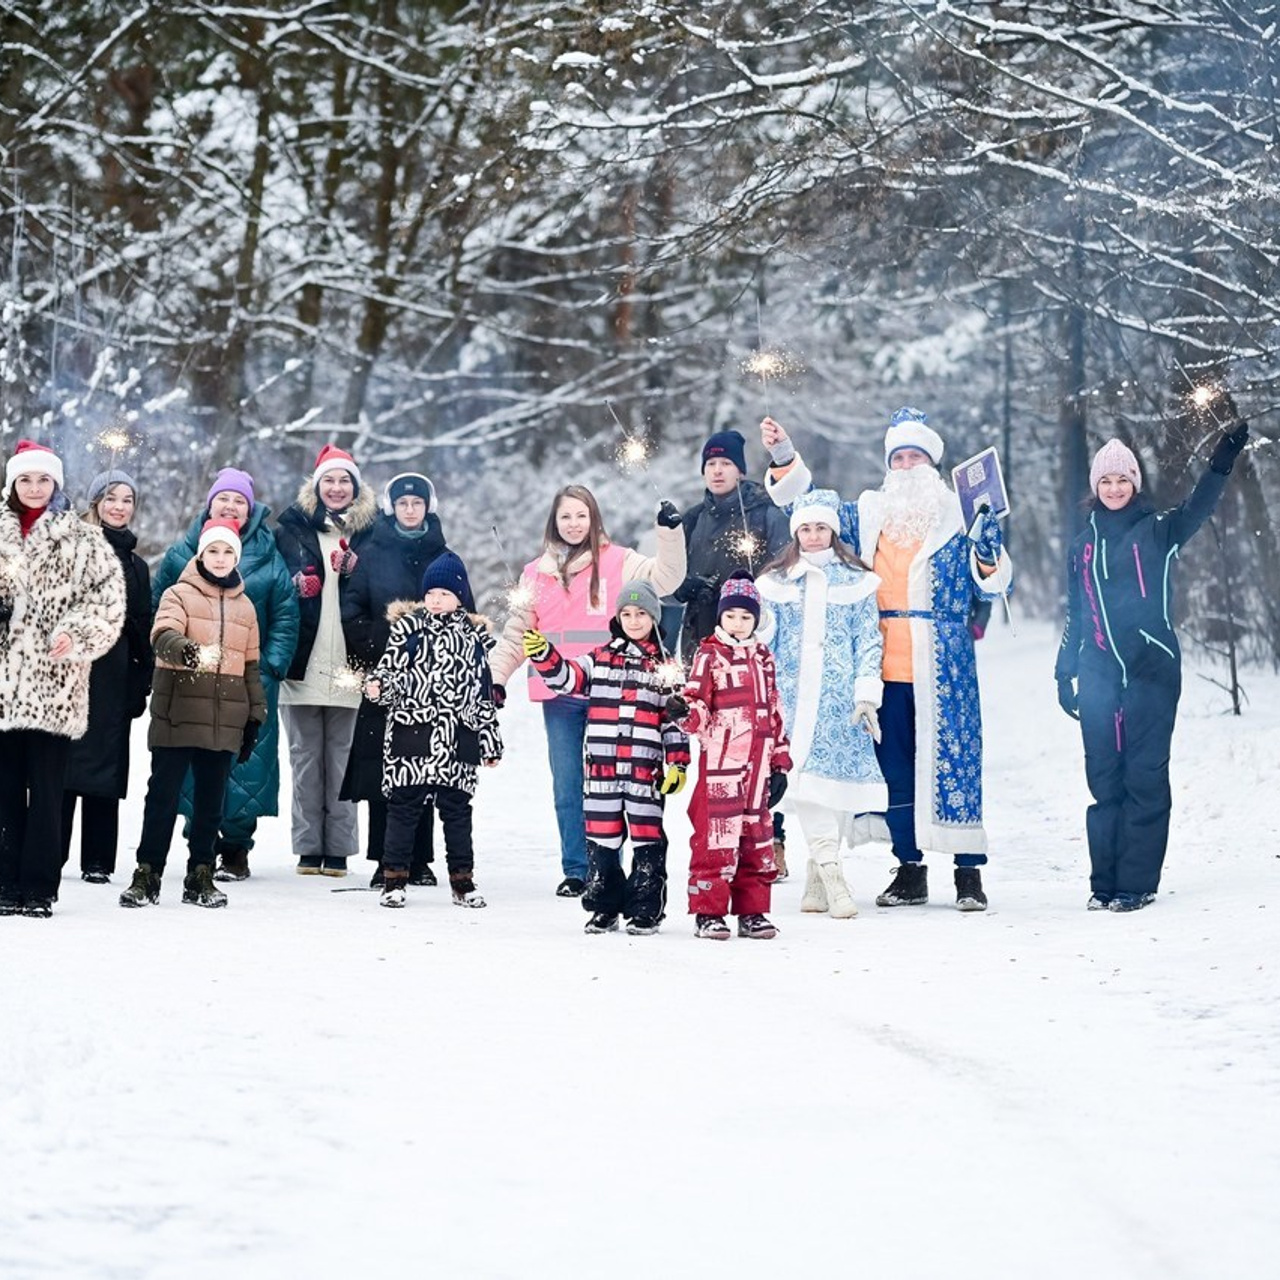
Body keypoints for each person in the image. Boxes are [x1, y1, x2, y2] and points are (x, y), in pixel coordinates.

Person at [763, 407, 1012, 911]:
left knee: (955, 762)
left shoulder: (961, 514)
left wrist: (988, 550)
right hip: (882, 663)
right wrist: (784, 454)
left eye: (915, 457)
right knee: (893, 767)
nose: (906, 467)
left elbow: (994, 585)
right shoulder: (870, 512)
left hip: (944, 663)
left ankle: (968, 872)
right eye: (897, 458)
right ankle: (909, 867)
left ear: (932, 464)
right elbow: (813, 509)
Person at [1054, 423, 1249, 911]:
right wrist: (1064, 670)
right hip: (1098, 673)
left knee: (1143, 777)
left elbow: (1199, 507)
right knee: (1104, 782)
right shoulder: (1082, 545)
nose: (1114, 488)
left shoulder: (1160, 529)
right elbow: (1077, 611)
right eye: (1106, 481)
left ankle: (1136, 884)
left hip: (1152, 671)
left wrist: (1220, 462)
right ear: (1095, 487)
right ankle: (1104, 885)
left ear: (1135, 483)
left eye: (1123, 479)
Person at [489, 484, 687, 897]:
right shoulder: (534, 574)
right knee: (567, 784)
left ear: (593, 518)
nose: (574, 524)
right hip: (558, 692)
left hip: (610, 691)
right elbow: (516, 633)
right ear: (554, 522)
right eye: (566, 516)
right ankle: (577, 869)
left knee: (610, 784)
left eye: (581, 515)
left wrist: (669, 533)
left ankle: (607, 867)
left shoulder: (620, 561)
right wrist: (496, 678)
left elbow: (668, 579)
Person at [152, 467, 299, 880]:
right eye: (224, 498)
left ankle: (235, 847)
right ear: (210, 503)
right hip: (192, 681)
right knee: (193, 764)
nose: (231, 506)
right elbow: (159, 608)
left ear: (250, 509)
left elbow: (286, 615)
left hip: (248, 679)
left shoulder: (269, 554)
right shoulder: (182, 553)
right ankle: (200, 846)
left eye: (239, 501)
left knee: (244, 764)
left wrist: (269, 666)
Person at [0, 440, 126, 917]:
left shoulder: (83, 539)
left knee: (49, 790)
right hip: (4, 686)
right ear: (12, 483)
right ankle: (4, 881)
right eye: (25, 479)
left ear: (56, 484)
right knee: (4, 790)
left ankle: (39, 886)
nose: (34, 488)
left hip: (54, 686)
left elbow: (106, 602)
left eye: (43, 479)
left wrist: (75, 634)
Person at [523, 580, 690, 936]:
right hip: (602, 771)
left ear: (654, 617)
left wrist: (677, 763)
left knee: (646, 838)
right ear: (617, 618)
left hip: (644, 772)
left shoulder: (666, 668)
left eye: (641, 613)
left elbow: (674, 721)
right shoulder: (599, 657)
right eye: (626, 614)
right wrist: (544, 655)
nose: (634, 620)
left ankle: (645, 909)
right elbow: (567, 679)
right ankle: (604, 905)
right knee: (603, 837)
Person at [120, 519, 268, 908]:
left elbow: (250, 667)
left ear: (236, 557)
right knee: (163, 797)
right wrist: (188, 651)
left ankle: (200, 873)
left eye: (228, 552)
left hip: (224, 719)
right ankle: (147, 872)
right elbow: (162, 635)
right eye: (213, 551)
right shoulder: (179, 594)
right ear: (201, 554)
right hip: (178, 712)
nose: (220, 558)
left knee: (210, 802)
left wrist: (255, 716)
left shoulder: (245, 607)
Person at [756, 492, 887, 919]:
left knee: (834, 787)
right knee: (805, 782)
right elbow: (765, 641)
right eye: (806, 528)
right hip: (792, 700)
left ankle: (815, 879)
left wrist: (866, 693)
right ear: (796, 533)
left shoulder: (857, 580)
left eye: (821, 528)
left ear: (833, 531)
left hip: (839, 700)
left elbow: (868, 640)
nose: (813, 536)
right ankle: (832, 874)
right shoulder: (777, 581)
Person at [673, 428, 793, 875]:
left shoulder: (764, 512)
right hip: (703, 643)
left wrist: (744, 595)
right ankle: (717, 838)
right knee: (717, 743)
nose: (717, 471)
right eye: (711, 464)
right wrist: (684, 586)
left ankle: (770, 838)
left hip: (752, 644)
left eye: (725, 463)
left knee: (756, 743)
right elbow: (668, 577)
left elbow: (782, 570)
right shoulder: (692, 519)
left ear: (740, 469)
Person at [363, 551, 502, 909]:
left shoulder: (474, 639)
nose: (436, 600)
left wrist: (490, 741)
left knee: (457, 812)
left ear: (460, 597)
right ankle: (394, 879)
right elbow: (390, 674)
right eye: (430, 593)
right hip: (414, 735)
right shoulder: (408, 630)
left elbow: (483, 694)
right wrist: (379, 687)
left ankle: (463, 881)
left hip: (458, 738)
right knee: (404, 809)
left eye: (444, 593)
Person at [340, 472, 453, 885]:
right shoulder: (371, 553)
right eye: (402, 503)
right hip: (383, 676)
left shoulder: (444, 557)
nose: (410, 509)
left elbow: (463, 611)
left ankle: (420, 860)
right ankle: (384, 859)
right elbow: (351, 610)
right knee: (381, 771)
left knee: (423, 767)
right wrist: (383, 643)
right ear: (392, 508)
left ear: (428, 507)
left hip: (432, 681)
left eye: (417, 503)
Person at [668, 573, 791, 941]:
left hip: (759, 768)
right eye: (731, 616)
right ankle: (709, 912)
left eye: (746, 617)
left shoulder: (763, 657)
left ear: (756, 619)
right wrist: (685, 713)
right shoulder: (709, 655)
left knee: (756, 839)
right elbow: (698, 705)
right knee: (717, 838)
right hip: (722, 767)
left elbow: (774, 710)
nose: (738, 623)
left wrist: (780, 762)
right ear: (721, 616)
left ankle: (752, 911)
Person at [274, 444, 378, 876]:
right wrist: (294, 584)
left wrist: (359, 570)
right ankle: (307, 846)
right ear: (316, 487)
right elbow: (272, 584)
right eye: (329, 480)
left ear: (356, 487)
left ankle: (338, 848)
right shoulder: (290, 529)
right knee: (304, 760)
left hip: (351, 664)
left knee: (342, 760)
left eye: (344, 481)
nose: (336, 488)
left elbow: (384, 591)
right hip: (303, 661)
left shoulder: (373, 533)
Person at [61, 469, 153, 883]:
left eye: (127, 500)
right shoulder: (72, 550)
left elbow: (143, 625)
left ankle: (98, 860)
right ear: (96, 502)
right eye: (111, 498)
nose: (119, 507)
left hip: (116, 676)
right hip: (75, 671)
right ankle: (52, 852)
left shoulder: (137, 564)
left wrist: (141, 680)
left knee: (107, 765)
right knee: (63, 766)